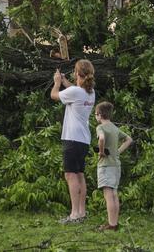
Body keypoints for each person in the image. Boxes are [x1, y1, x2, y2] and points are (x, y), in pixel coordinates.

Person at [51, 59, 96, 224]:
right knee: (79, 175)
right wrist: (65, 82)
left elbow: (54, 95)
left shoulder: (76, 92)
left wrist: (57, 83)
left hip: (72, 138)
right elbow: (75, 90)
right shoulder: (90, 92)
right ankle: (82, 212)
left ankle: (74, 214)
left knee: (70, 175)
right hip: (83, 139)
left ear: (78, 74)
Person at [94, 101, 133, 232]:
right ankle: (115, 222)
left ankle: (111, 224)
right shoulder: (115, 128)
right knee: (114, 194)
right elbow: (129, 139)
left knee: (108, 194)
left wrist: (101, 151)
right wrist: (118, 151)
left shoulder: (100, 128)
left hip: (106, 165)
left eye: (95, 114)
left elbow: (101, 138)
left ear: (99, 115)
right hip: (116, 165)